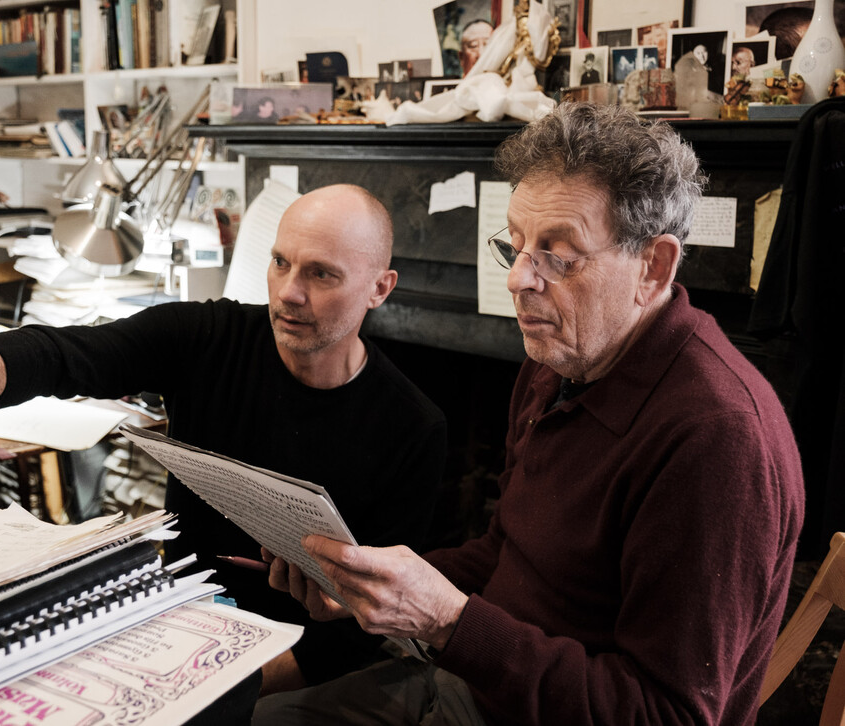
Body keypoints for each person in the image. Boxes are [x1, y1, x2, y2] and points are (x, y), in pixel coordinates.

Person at [0, 184, 448, 698]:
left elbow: (373, 634)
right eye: (279, 262)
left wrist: (224, 685)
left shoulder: (413, 428)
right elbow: (62, 351)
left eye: (322, 275)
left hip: (297, 656)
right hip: (177, 606)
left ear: (379, 289)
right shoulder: (208, 337)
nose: (288, 293)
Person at [254, 103, 804, 725]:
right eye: (515, 247)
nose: (519, 279)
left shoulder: (716, 439)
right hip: (479, 687)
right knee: (266, 716)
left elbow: (666, 714)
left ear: (652, 267)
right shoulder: (557, 360)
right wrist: (369, 584)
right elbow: (506, 552)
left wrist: (449, 622)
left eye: (558, 256)